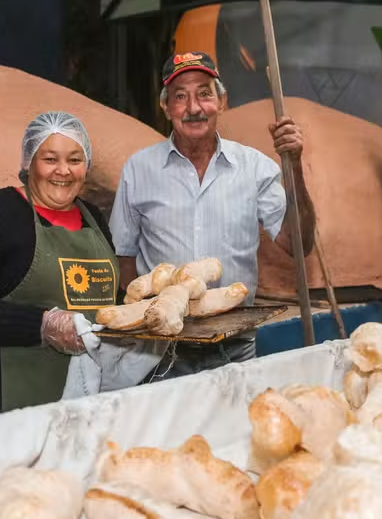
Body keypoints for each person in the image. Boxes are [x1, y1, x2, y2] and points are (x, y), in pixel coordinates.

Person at [109, 51, 317, 381]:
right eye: (180, 97)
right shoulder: (139, 169)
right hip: (161, 353)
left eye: (204, 93)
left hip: (236, 349)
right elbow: (125, 259)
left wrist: (293, 168)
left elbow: (299, 243)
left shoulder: (255, 167)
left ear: (222, 101)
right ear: (166, 107)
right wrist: (146, 325)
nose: (193, 108)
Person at [0, 112, 127, 414]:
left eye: (75, 160)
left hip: (87, 402)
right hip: (6, 405)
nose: (63, 171)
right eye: (50, 159)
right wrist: (42, 325)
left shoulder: (92, 217)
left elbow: (106, 298)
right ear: (29, 162)